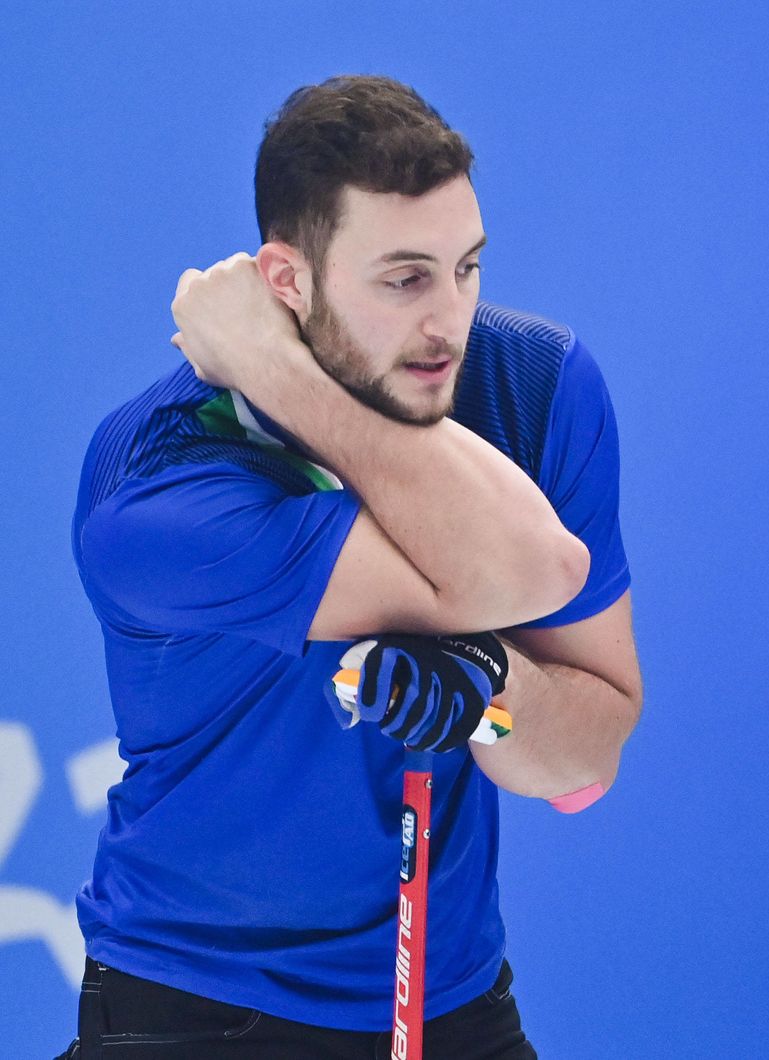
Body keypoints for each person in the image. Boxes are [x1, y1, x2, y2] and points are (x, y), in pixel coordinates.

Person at [64, 75, 641, 1058]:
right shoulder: (158, 482)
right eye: (403, 278)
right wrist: (282, 377)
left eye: (467, 269)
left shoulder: (537, 383)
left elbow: (587, 755)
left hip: (450, 1000)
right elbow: (530, 568)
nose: (450, 323)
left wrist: (488, 694)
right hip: (199, 1005)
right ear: (286, 282)